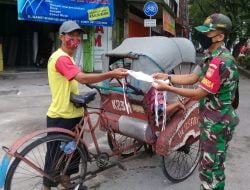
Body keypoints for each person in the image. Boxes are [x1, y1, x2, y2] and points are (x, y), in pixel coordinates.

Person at [152, 13, 239, 190]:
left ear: (220, 36)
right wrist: (167, 77)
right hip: (211, 120)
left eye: (207, 34)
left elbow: (198, 93)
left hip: (218, 124)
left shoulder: (221, 62)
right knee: (208, 165)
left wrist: (168, 88)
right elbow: (193, 77)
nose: (203, 38)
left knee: (212, 169)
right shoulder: (211, 56)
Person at [44, 20, 127, 190]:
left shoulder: (67, 57)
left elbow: (76, 78)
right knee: (55, 156)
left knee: (72, 150)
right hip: (62, 114)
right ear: (61, 37)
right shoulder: (61, 58)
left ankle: (67, 183)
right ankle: (47, 187)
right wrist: (111, 73)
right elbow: (81, 77)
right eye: (70, 35)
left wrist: (92, 83)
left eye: (77, 36)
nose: (74, 39)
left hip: (71, 112)